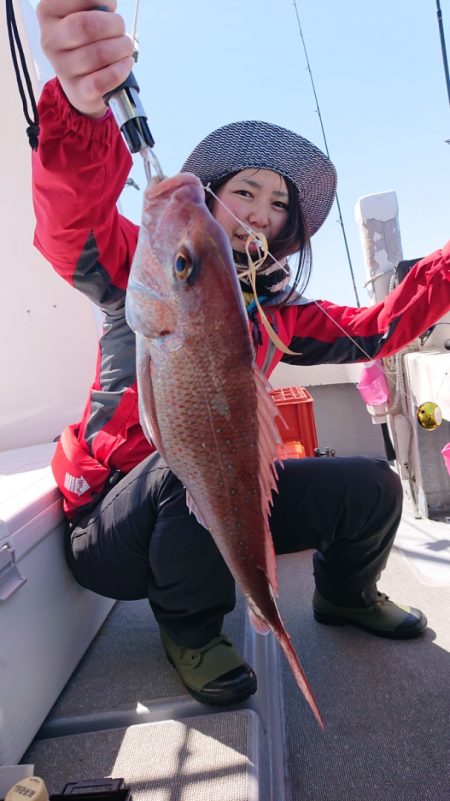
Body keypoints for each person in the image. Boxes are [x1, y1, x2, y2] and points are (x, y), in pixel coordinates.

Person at [33, 0, 450, 707]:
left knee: (373, 486)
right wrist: (82, 111)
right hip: (114, 528)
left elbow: (380, 327)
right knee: (184, 467)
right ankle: (193, 631)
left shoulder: (278, 317)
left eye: (278, 203)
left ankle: (345, 595)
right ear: (213, 201)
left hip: (215, 498)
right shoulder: (146, 268)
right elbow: (74, 227)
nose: (260, 210)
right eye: (245, 191)